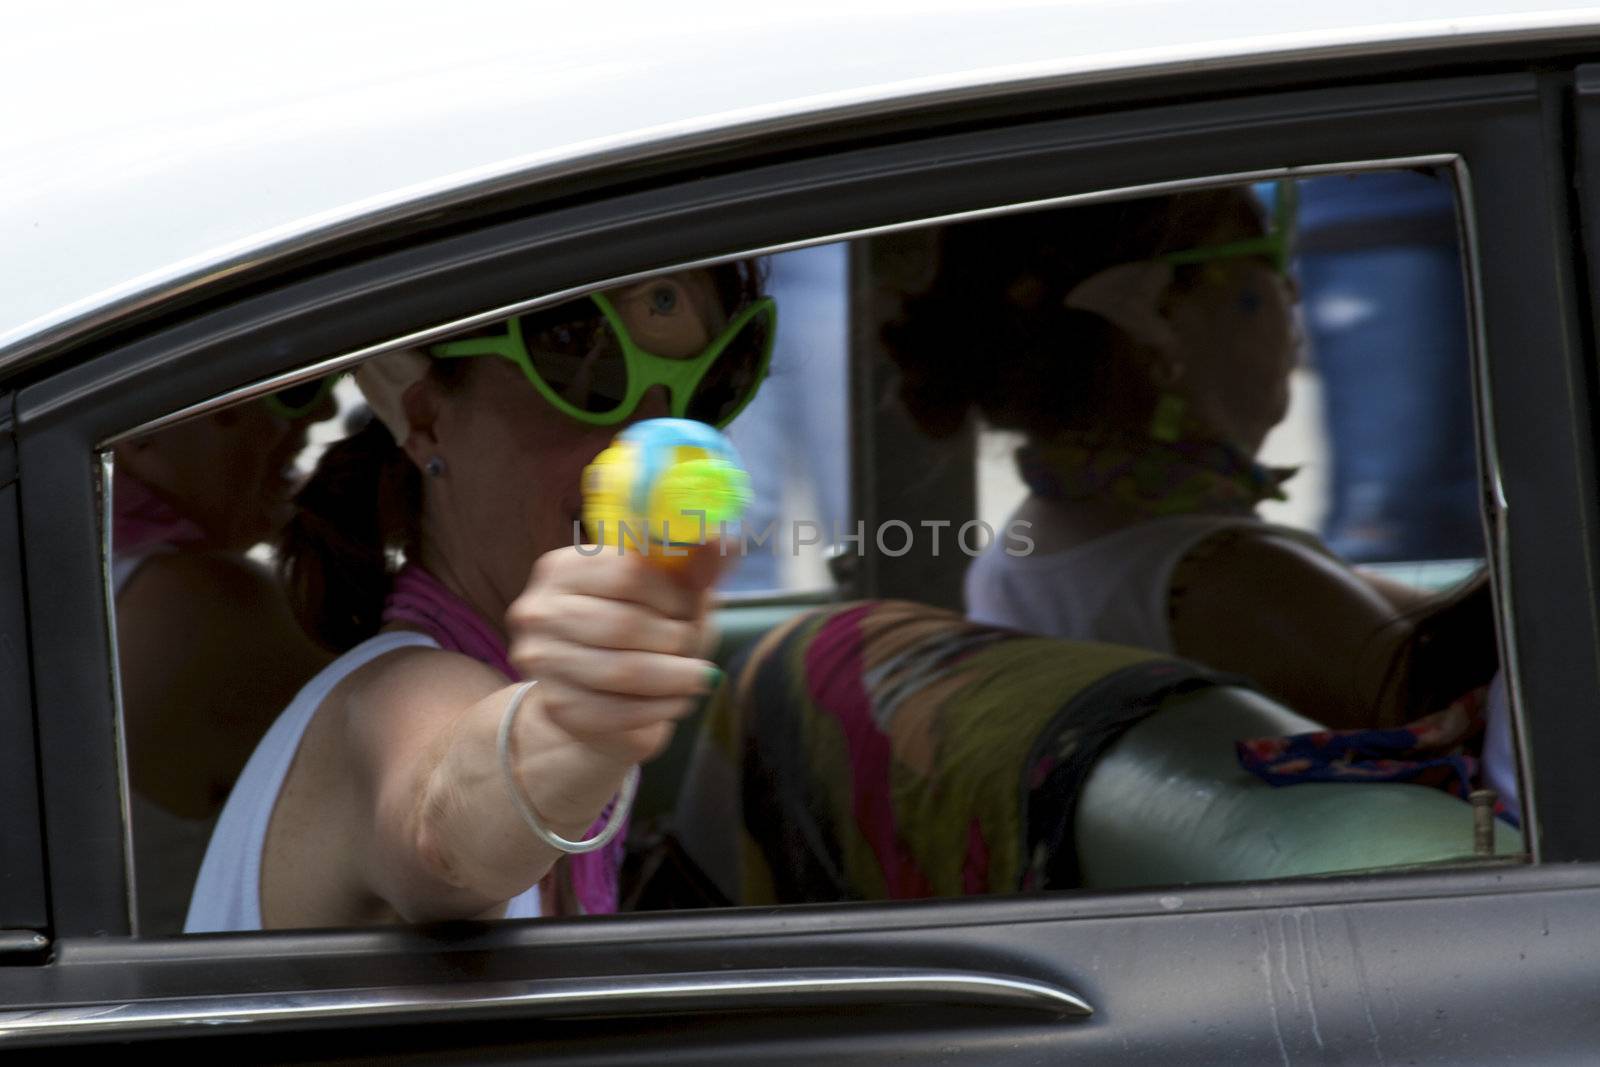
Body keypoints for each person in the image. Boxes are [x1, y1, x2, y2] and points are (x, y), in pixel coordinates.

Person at [185, 262, 774, 931]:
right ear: (429, 420)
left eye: (703, 394)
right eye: (586, 364)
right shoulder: (400, 692)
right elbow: (443, 827)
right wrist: (565, 733)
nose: (652, 442)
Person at [884, 186, 1496, 731]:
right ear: (1161, 321)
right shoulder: (1239, 584)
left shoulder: (1040, 544)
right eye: (1264, 257)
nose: (1294, 290)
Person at [112, 386, 338, 935]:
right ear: (143, 435)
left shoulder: (85, 572)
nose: (325, 410)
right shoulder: (201, 606)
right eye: (289, 387)